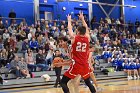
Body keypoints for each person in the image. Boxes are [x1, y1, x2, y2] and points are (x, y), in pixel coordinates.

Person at [60, 12, 96, 93]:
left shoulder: (74, 38)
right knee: (88, 82)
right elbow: (86, 28)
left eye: (77, 30)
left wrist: (69, 20)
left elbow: (69, 29)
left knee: (63, 82)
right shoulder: (87, 38)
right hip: (85, 65)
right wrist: (82, 19)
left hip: (76, 65)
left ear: (78, 32)